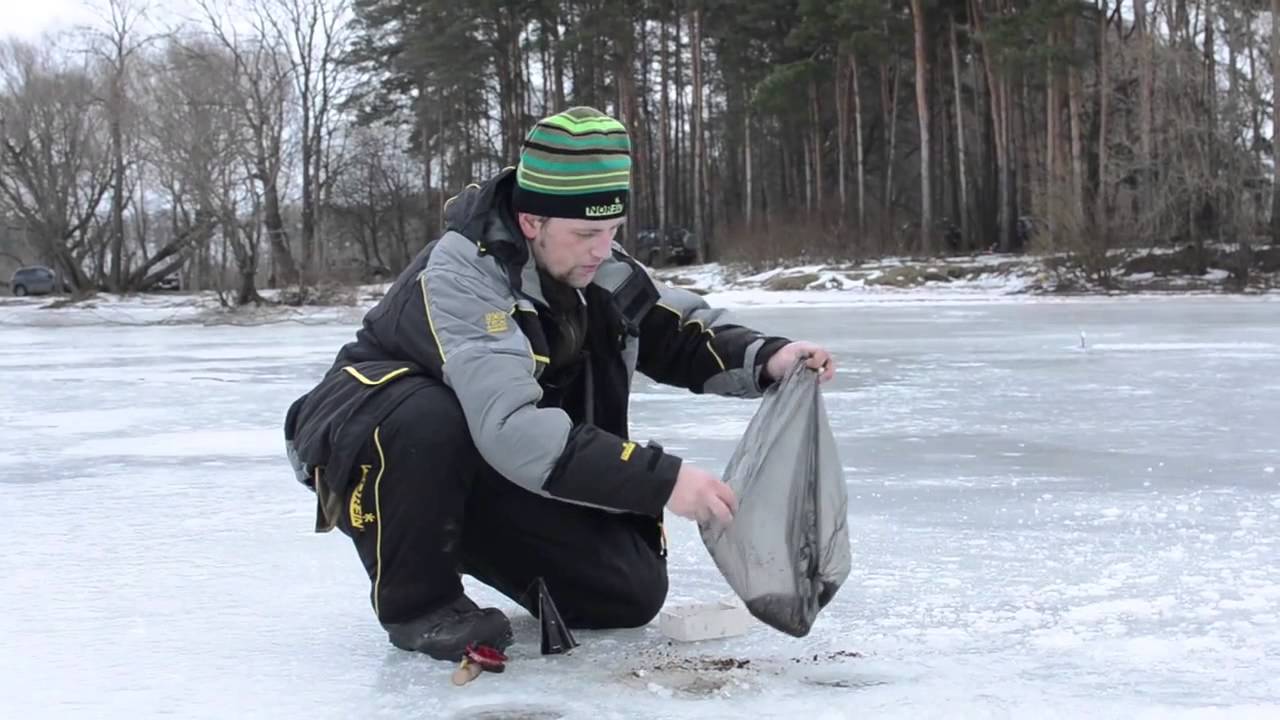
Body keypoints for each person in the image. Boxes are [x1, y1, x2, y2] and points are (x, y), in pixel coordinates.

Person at [283, 106, 836, 662]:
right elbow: (512, 429)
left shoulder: (595, 267)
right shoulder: (462, 276)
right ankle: (418, 602)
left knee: (626, 592)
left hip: (478, 460)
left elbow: (677, 334)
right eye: (587, 233)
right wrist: (661, 480)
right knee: (426, 416)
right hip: (370, 439)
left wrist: (769, 358)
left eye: (613, 230)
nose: (603, 248)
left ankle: (455, 521)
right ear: (531, 222)